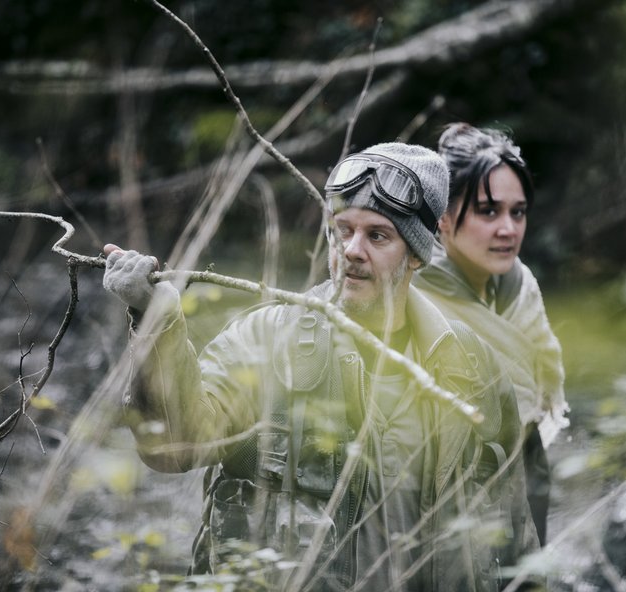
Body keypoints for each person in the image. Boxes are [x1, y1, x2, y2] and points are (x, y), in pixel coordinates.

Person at [103, 142, 539, 591]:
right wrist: (158, 323)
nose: (352, 250)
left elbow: (517, 536)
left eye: (377, 236)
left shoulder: (472, 368)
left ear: (416, 254)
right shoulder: (268, 340)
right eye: (342, 230)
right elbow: (174, 446)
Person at [413, 123, 569, 545]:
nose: (508, 229)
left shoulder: (520, 286)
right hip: (444, 486)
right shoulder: (412, 295)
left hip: (526, 460)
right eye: (488, 211)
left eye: (517, 212)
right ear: (444, 217)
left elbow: (538, 399)